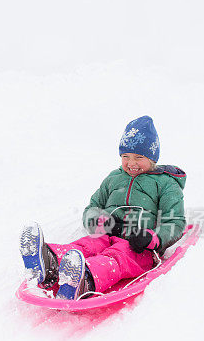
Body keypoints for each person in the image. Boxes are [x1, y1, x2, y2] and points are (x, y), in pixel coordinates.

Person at [20, 115, 186, 300]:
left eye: (139, 157)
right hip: (108, 235)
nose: (131, 163)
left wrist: (153, 238)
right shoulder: (113, 178)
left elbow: (176, 222)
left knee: (117, 257)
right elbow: (92, 207)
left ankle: (84, 279)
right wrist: (100, 221)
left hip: (139, 248)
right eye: (125, 156)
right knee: (87, 245)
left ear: (152, 157)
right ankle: (49, 262)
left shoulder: (166, 184)